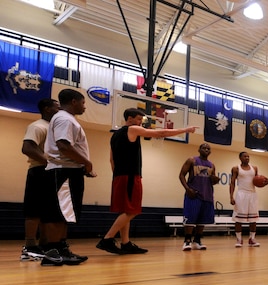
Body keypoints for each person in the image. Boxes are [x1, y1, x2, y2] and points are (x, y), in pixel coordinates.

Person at [96, 108, 197, 255]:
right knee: (133, 210)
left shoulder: (115, 135)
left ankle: (125, 243)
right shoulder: (132, 129)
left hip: (119, 176)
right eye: (138, 119)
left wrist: (118, 176)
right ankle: (107, 239)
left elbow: (111, 159)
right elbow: (160, 133)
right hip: (130, 176)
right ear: (129, 118)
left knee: (126, 211)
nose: (140, 123)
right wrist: (186, 129)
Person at [40, 89, 93, 266]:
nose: (85, 107)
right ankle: (51, 252)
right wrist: (87, 162)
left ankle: (61, 249)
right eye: (83, 103)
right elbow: (64, 145)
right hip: (63, 170)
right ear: (73, 101)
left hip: (70, 170)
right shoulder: (64, 118)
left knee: (65, 213)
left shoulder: (67, 119)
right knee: (57, 213)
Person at [20, 98, 59, 261]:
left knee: (47, 212)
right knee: (34, 210)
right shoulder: (37, 126)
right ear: (47, 109)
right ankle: (29, 247)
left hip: (51, 172)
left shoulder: (54, 128)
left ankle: (43, 245)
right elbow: (27, 148)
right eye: (57, 107)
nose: (60, 110)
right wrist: (49, 162)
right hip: (39, 171)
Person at [179, 143, 220, 251]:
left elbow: (212, 180)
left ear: (210, 152)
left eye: (208, 148)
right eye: (204, 148)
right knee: (190, 220)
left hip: (207, 195)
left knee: (202, 221)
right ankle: (187, 242)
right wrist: (187, 189)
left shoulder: (212, 165)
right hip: (194, 194)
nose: (206, 150)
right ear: (199, 149)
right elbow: (181, 175)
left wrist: (215, 180)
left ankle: (197, 241)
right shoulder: (192, 160)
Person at [229, 151, 262, 248]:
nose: (247, 158)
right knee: (238, 219)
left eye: (248, 156)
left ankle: (252, 239)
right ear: (240, 158)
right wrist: (231, 196)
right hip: (241, 194)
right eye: (245, 156)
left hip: (252, 194)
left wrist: (264, 182)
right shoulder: (236, 168)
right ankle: (239, 239)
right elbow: (232, 183)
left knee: (253, 219)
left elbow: (257, 181)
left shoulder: (254, 168)